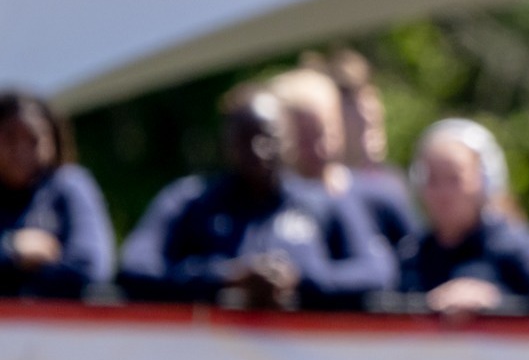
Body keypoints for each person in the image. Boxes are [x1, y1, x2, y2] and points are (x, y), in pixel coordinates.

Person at [120, 87, 398, 307]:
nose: (258, 150)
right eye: (245, 138)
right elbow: (135, 267)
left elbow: (377, 272)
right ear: (226, 143)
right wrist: (227, 278)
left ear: (288, 139)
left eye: (268, 137)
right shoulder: (191, 202)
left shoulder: (322, 202)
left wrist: (300, 281)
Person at [400, 118, 529, 315]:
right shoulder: (410, 254)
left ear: (486, 181)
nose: (443, 193)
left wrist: (497, 300)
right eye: (432, 179)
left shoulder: (520, 249)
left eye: (455, 179)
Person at [268, 63, 416, 253]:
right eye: (304, 140)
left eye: (323, 133)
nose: (319, 149)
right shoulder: (274, 212)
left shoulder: (381, 195)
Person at [0, 90, 114, 299]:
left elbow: (93, 268)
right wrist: (11, 249)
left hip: (58, 325)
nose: (21, 150)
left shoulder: (69, 186)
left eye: (33, 140)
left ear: (53, 141)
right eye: (10, 137)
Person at [320, 48, 419, 250]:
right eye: (352, 102)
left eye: (370, 98)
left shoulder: (394, 184)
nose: (367, 114)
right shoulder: (313, 188)